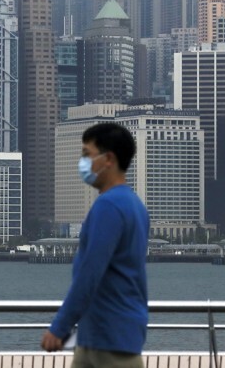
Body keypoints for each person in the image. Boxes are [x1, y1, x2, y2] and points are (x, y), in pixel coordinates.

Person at [41, 122, 150, 367]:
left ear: (108, 159)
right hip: (115, 335)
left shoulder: (108, 207)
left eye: (87, 155)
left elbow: (89, 273)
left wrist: (59, 327)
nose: (83, 163)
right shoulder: (135, 206)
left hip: (107, 342)